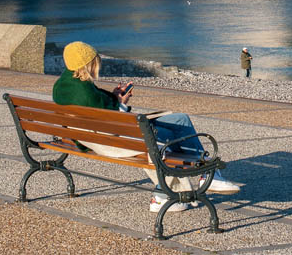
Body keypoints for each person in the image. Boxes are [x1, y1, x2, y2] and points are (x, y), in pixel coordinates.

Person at [53, 41, 240, 213]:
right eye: (96, 61)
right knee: (174, 130)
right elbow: (114, 120)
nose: (99, 64)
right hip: (122, 138)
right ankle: (198, 178)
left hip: (98, 137)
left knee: (180, 120)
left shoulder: (64, 86)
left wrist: (115, 100)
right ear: (88, 64)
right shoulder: (84, 92)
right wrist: (122, 103)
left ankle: (185, 183)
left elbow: (98, 110)